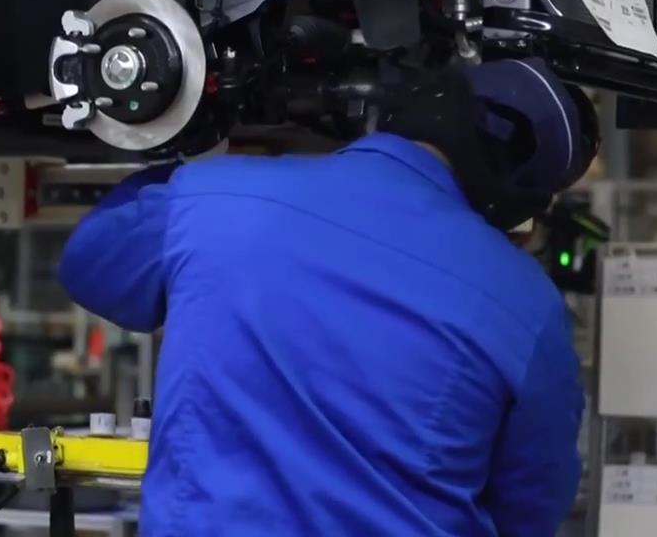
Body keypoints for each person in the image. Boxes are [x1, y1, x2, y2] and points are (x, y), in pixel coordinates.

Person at [58, 57, 600, 536]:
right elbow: (529, 508)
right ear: (517, 201)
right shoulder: (526, 306)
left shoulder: (213, 200)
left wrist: (191, 154)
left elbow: (90, 263)